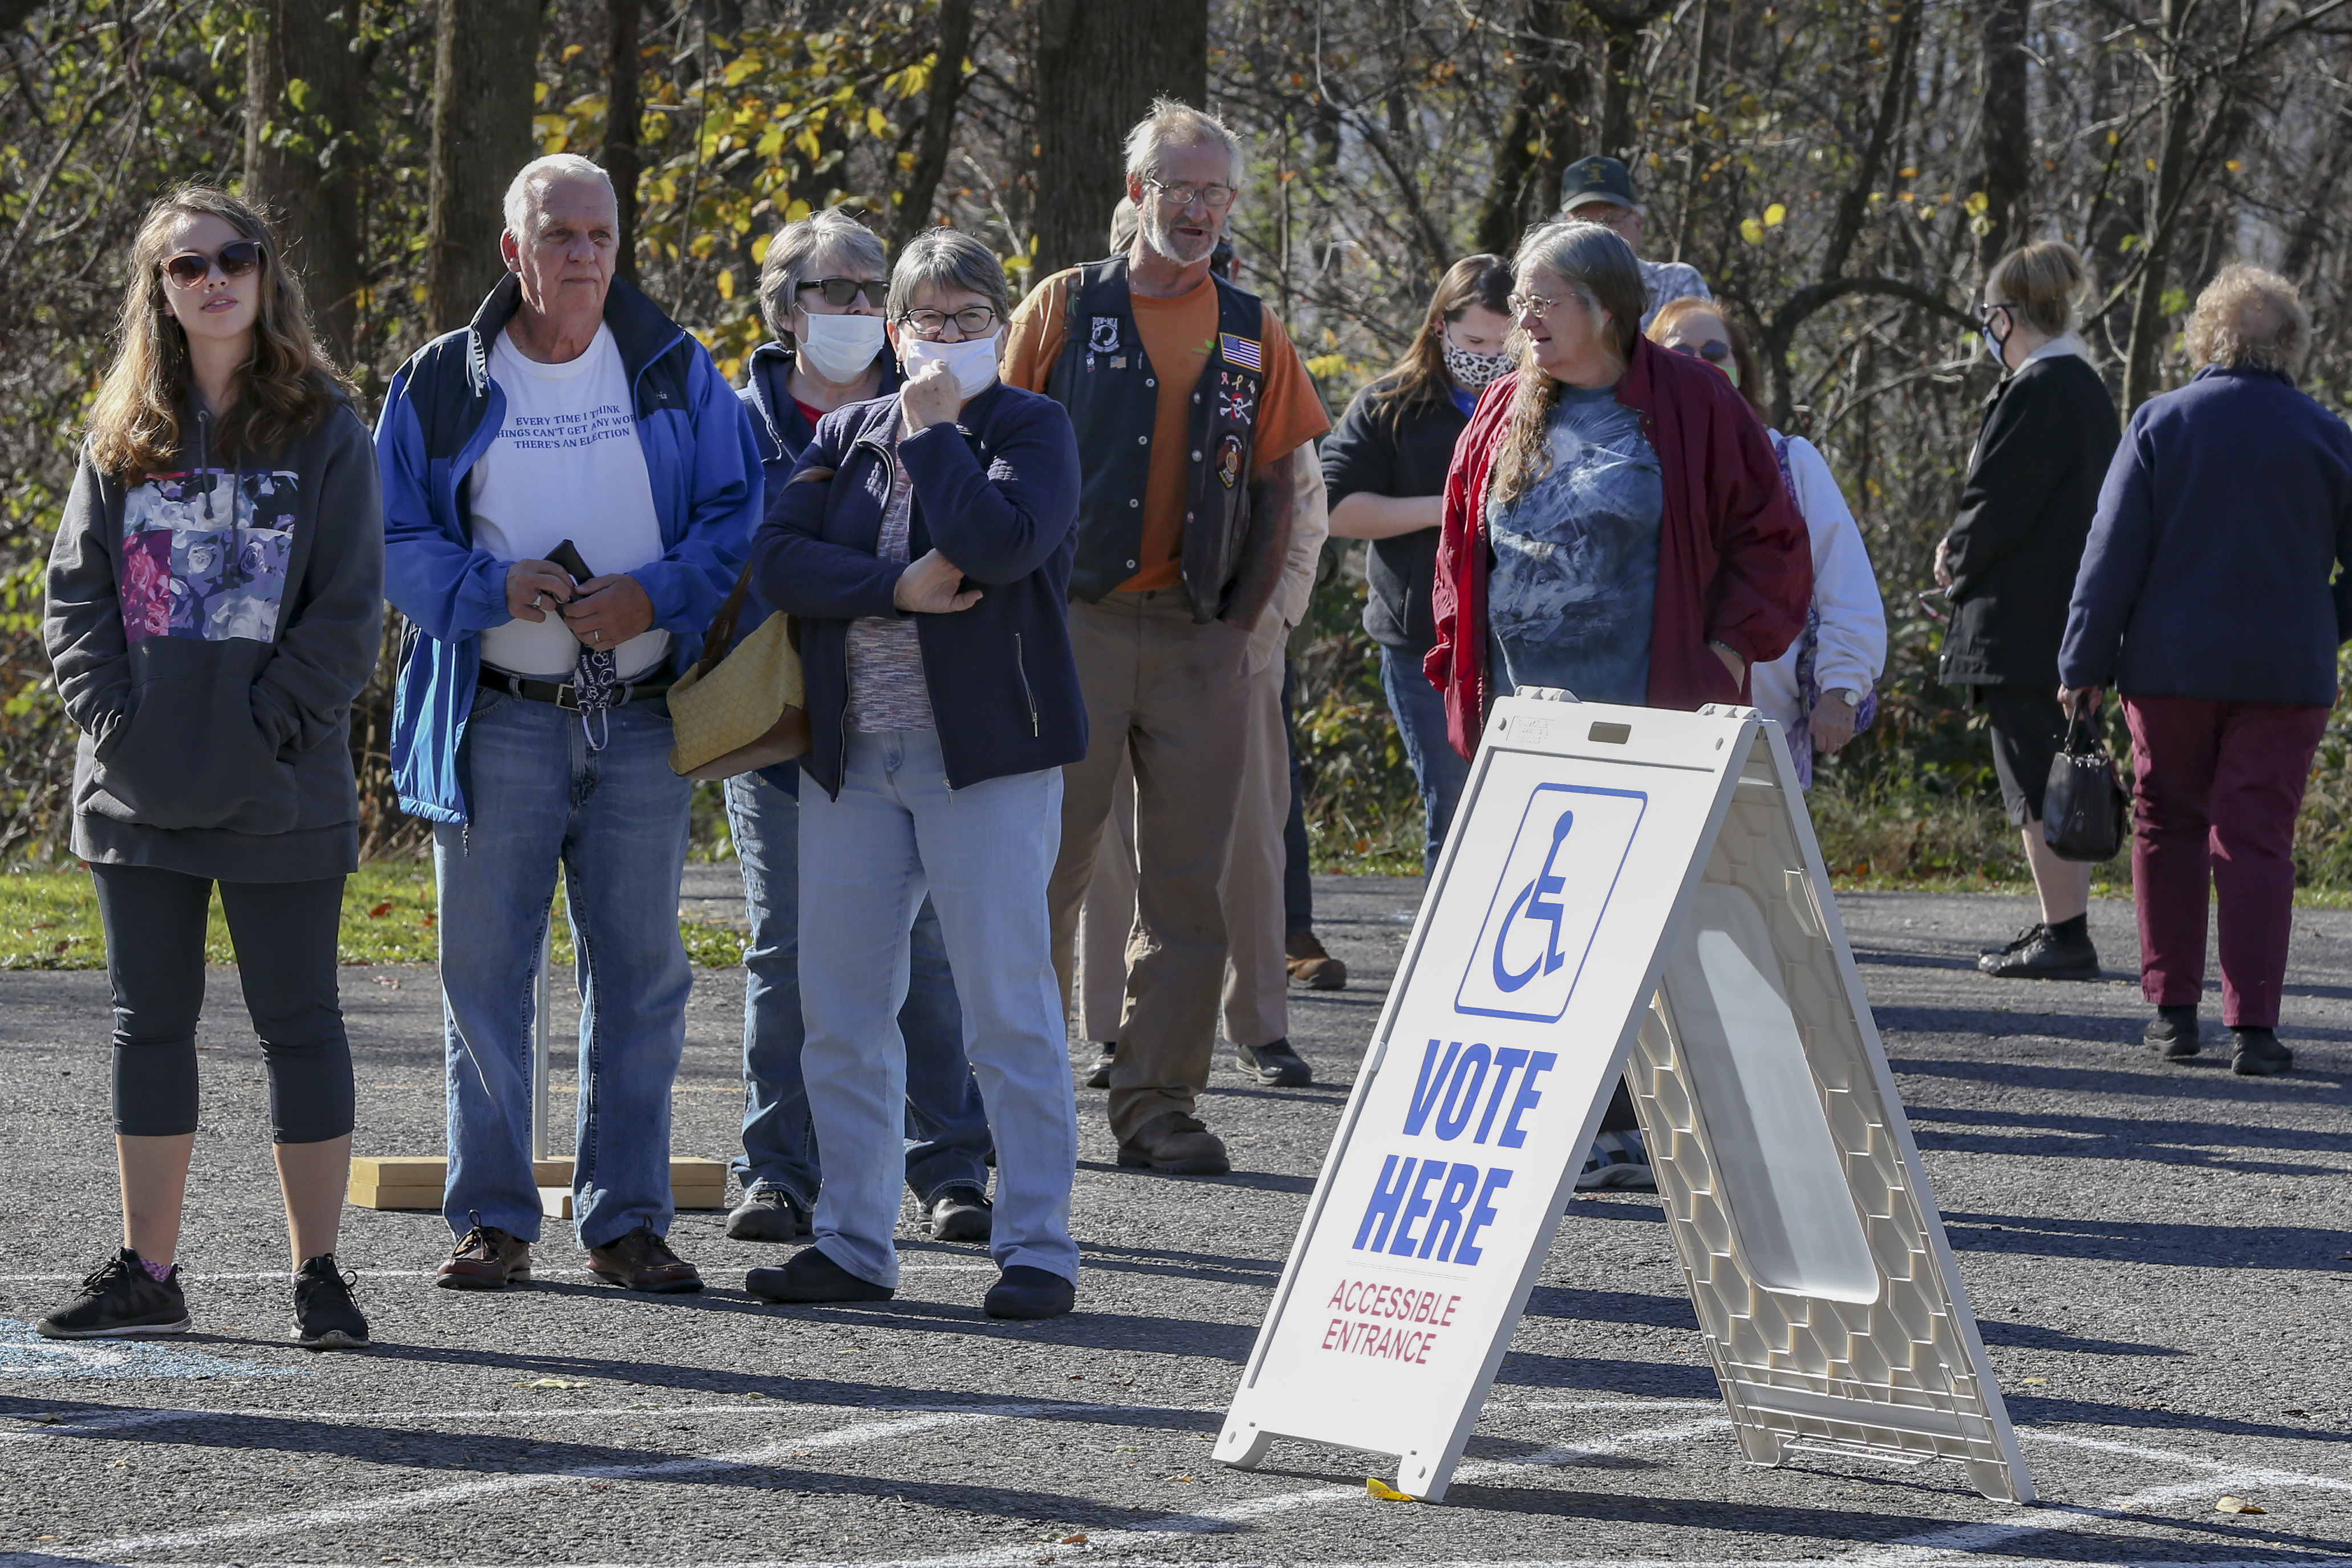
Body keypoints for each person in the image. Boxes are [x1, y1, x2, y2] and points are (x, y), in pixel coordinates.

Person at [378, 154, 761, 1294]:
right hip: (497, 712)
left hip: (641, 718)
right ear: (514, 250)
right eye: (559, 236)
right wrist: (491, 587)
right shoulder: (442, 380)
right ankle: (493, 1217)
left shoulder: (674, 367)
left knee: (642, 973)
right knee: (485, 972)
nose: (584, 255)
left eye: (600, 235)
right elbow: (393, 539)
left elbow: (738, 515)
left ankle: (627, 1221)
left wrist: (656, 595)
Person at [38, 186, 382, 1348]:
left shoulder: (327, 425)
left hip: (280, 784)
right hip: (137, 789)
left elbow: (347, 614)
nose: (216, 277)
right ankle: (150, 1269)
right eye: (189, 265)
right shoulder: (119, 430)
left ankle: (320, 1275)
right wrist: (121, 726)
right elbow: (75, 601)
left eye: (236, 256)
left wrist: (262, 726)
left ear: (267, 273)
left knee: (303, 1023)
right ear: (162, 292)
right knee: (149, 1025)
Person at [1428, 220, 1810, 1196]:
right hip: (1524, 726)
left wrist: (1724, 648)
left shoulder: (1687, 404)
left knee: (1638, 929)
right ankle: (1562, 1124)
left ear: (1603, 310)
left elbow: (1770, 538)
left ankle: (1644, 1126)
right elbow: (1457, 549)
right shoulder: (1503, 405)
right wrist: (1454, 662)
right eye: (1519, 300)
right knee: (1537, 929)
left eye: (1541, 301)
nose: (1522, 318)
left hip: (1648, 717)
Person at [746, 228, 1085, 1320]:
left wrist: (938, 437)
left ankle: (1036, 1245)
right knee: (840, 1009)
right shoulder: (845, 432)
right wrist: (892, 588)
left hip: (982, 763)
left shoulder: (1032, 427)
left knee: (1005, 1010)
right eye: (924, 320)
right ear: (892, 331)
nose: (943, 338)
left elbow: (994, 548)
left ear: (1001, 328)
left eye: (967, 319)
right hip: (855, 763)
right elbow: (778, 561)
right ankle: (851, 1242)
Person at [1001, 98, 1330, 1176]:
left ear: (1230, 206)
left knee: (1189, 884)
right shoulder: (1060, 306)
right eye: (1176, 188)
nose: (1194, 209)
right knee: (1040, 869)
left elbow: (1282, 487)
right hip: (1070, 622)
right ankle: (1013, 1096)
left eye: (1213, 193)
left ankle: (1157, 1104)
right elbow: (993, 447)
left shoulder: (1251, 327)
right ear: (1136, 194)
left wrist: (1243, 628)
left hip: (1199, 636)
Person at [723, 206, 995, 1247]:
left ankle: (950, 1167)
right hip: (777, 718)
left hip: (910, 719)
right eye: (830, 289)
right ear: (783, 307)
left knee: (926, 949)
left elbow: (973, 551)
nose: (853, 308)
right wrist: (886, 586)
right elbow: (753, 558)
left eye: (867, 288)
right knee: (787, 947)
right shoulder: (727, 417)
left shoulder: (932, 404)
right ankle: (776, 1172)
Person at [2059, 266, 2352, 1077]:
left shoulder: (2162, 423)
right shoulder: (2331, 437)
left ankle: (2173, 1013)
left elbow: (2110, 555)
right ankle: (2254, 1025)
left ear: (2206, 336)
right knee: (2258, 837)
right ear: (2291, 342)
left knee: (2168, 825)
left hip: (2171, 664)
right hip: (2286, 673)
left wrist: (2083, 662)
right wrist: (2324, 624)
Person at [1077, 453, 1332, 1089]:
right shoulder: (1068, 347)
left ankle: (1259, 1023)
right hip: (1098, 628)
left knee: (1251, 840)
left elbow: (1303, 506)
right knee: (1105, 844)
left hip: (1234, 635)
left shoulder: (1256, 351)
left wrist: (1260, 628)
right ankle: (1113, 1029)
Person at [1936, 240, 2121, 982]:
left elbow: (1999, 503)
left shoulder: (2044, 387)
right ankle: (2057, 920)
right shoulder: (2077, 385)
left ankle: (2067, 931)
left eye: (1988, 318)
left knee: (2040, 775)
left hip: (2025, 619)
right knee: (2043, 771)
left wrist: (1956, 558)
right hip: (2055, 614)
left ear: (2007, 317)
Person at [1323, 254, 1515, 871]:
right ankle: (1445, 959)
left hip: (1521, 639)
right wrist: (1449, 507)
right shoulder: (1389, 405)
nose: (1487, 355)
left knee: (1518, 810)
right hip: (1421, 645)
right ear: (1439, 327)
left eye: (1502, 342)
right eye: (1473, 340)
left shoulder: (1548, 403)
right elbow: (1334, 508)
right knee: (1455, 805)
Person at [1648, 299, 1886, 787]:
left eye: (1715, 352)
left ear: (1740, 367)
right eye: (1680, 351)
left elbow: (1844, 584)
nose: (1699, 364)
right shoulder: (1628, 465)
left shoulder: (1790, 462)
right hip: (1652, 722)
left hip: (1766, 733)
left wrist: (1841, 688)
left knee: (1760, 862)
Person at [1558, 156, 1710, 330]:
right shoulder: (1546, 295)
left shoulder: (1677, 284)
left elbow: (1696, 353)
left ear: (1638, 222)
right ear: (1560, 230)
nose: (1596, 236)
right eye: (1582, 224)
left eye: (1609, 222)